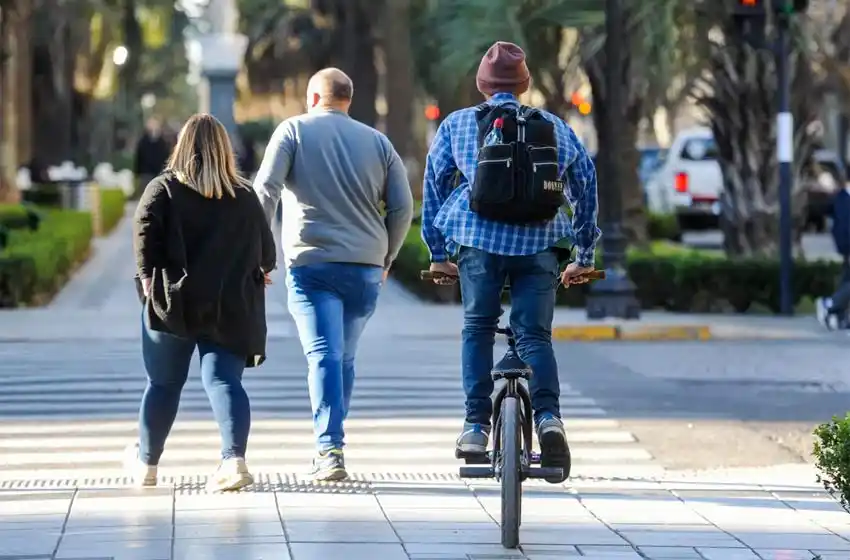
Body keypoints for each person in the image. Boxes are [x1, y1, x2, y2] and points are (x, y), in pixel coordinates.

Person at [421, 41, 600, 483]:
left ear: (482, 85)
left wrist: (438, 254)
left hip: (478, 243)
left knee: (478, 326)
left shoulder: (458, 124)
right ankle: (549, 419)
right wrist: (583, 254)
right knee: (535, 334)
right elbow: (585, 185)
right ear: (524, 86)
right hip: (541, 243)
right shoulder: (555, 126)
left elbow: (434, 187)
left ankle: (476, 426)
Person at [253, 68, 414, 481]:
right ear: (349, 100)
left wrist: (258, 252)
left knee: (324, 354)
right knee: (343, 355)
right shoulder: (378, 143)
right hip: (365, 268)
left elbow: (265, 191)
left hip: (312, 264)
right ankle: (332, 442)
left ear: (311, 98)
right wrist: (389, 257)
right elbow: (402, 207)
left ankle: (329, 449)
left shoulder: (292, 132)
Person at [129, 113, 277, 492]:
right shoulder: (244, 196)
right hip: (231, 305)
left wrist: (148, 282)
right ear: (225, 149)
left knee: (162, 385)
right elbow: (267, 255)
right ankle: (234, 460)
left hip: (172, 304)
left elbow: (144, 236)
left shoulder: (161, 190)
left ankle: (147, 465)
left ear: (180, 146)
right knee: (224, 381)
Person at [817, 182, 850, 329]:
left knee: (846, 278)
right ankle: (831, 304)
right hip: (848, 245)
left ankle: (839, 313)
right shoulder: (843, 199)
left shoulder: (841, 198)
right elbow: (843, 228)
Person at [133, 117, 172, 198]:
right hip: (145, 174)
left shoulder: (163, 142)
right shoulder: (143, 141)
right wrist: (137, 172)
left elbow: (166, 157)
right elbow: (139, 157)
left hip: (158, 173)